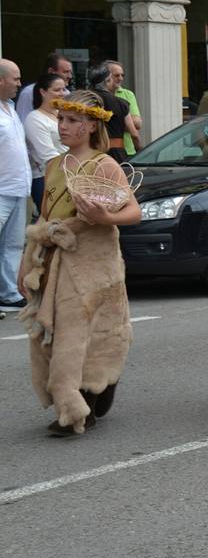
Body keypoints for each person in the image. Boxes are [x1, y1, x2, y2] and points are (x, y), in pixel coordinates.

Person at [18, 91, 140, 434]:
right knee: (59, 333)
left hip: (95, 263)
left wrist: (104, 216)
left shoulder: (104, 164)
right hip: (56, 260)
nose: (63, 126)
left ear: (89, 126)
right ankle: (82, 395)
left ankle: (82, 400)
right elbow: (43, 219)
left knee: (92, 333)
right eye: (60, 119)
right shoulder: (55, 166)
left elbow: (133, 212)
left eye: (71, 120)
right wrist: (26, 267)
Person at [0, 58, 29, 313]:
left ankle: (8, 293)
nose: (19, 84)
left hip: (19, 187)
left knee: (13, 245)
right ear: (0, 80)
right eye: (16, 78)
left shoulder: (10, 106)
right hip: (1, 189)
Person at [23, 73, 67, 207]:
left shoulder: (63, 115)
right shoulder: (34, 118)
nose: (62, 93)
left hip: (69, 176)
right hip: (47, 180)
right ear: (43, 92)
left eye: (64, 89)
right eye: (57, 90)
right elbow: (48, 157)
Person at [87, 63, 132, 163]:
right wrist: (140, 152)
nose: (120, 78)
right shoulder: (121, 103)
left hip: (90, 153)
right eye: (115, 76)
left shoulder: (84, 101)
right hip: (116, 153)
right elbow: (134, 133)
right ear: (108, 80)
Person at [16, 52, 73, 122]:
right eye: (65, 72)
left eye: (70, 72)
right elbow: (23, 121)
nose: (70, 76)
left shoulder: (67, 94)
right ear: (51, 71)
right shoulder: (28, 93)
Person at [104, 61, 141, 156]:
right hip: (103, 151)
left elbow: (138, 123)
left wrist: (109, 122)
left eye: (122, 75)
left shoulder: (128, 94)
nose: (120, 78)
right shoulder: (97, 96)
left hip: (128, 151)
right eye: (116, 75)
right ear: (106, 76)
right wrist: (127, 121)